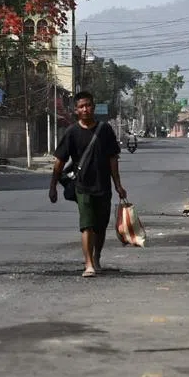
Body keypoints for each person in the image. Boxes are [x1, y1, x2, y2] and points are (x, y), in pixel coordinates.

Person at [49, 92, 127, 277]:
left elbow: (112, 159)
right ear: (76, 110)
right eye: (81, 106)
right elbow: (59, 161)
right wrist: (53, 186)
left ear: (94, 107)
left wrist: (118, 185)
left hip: (103, 186)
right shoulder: (72, 132)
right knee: (87, 225)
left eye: (88, 105)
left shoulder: (105, 130)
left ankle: (97, 257)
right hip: (82, 187)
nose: (85, 109)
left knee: (100, 227)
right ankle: (88, 264)